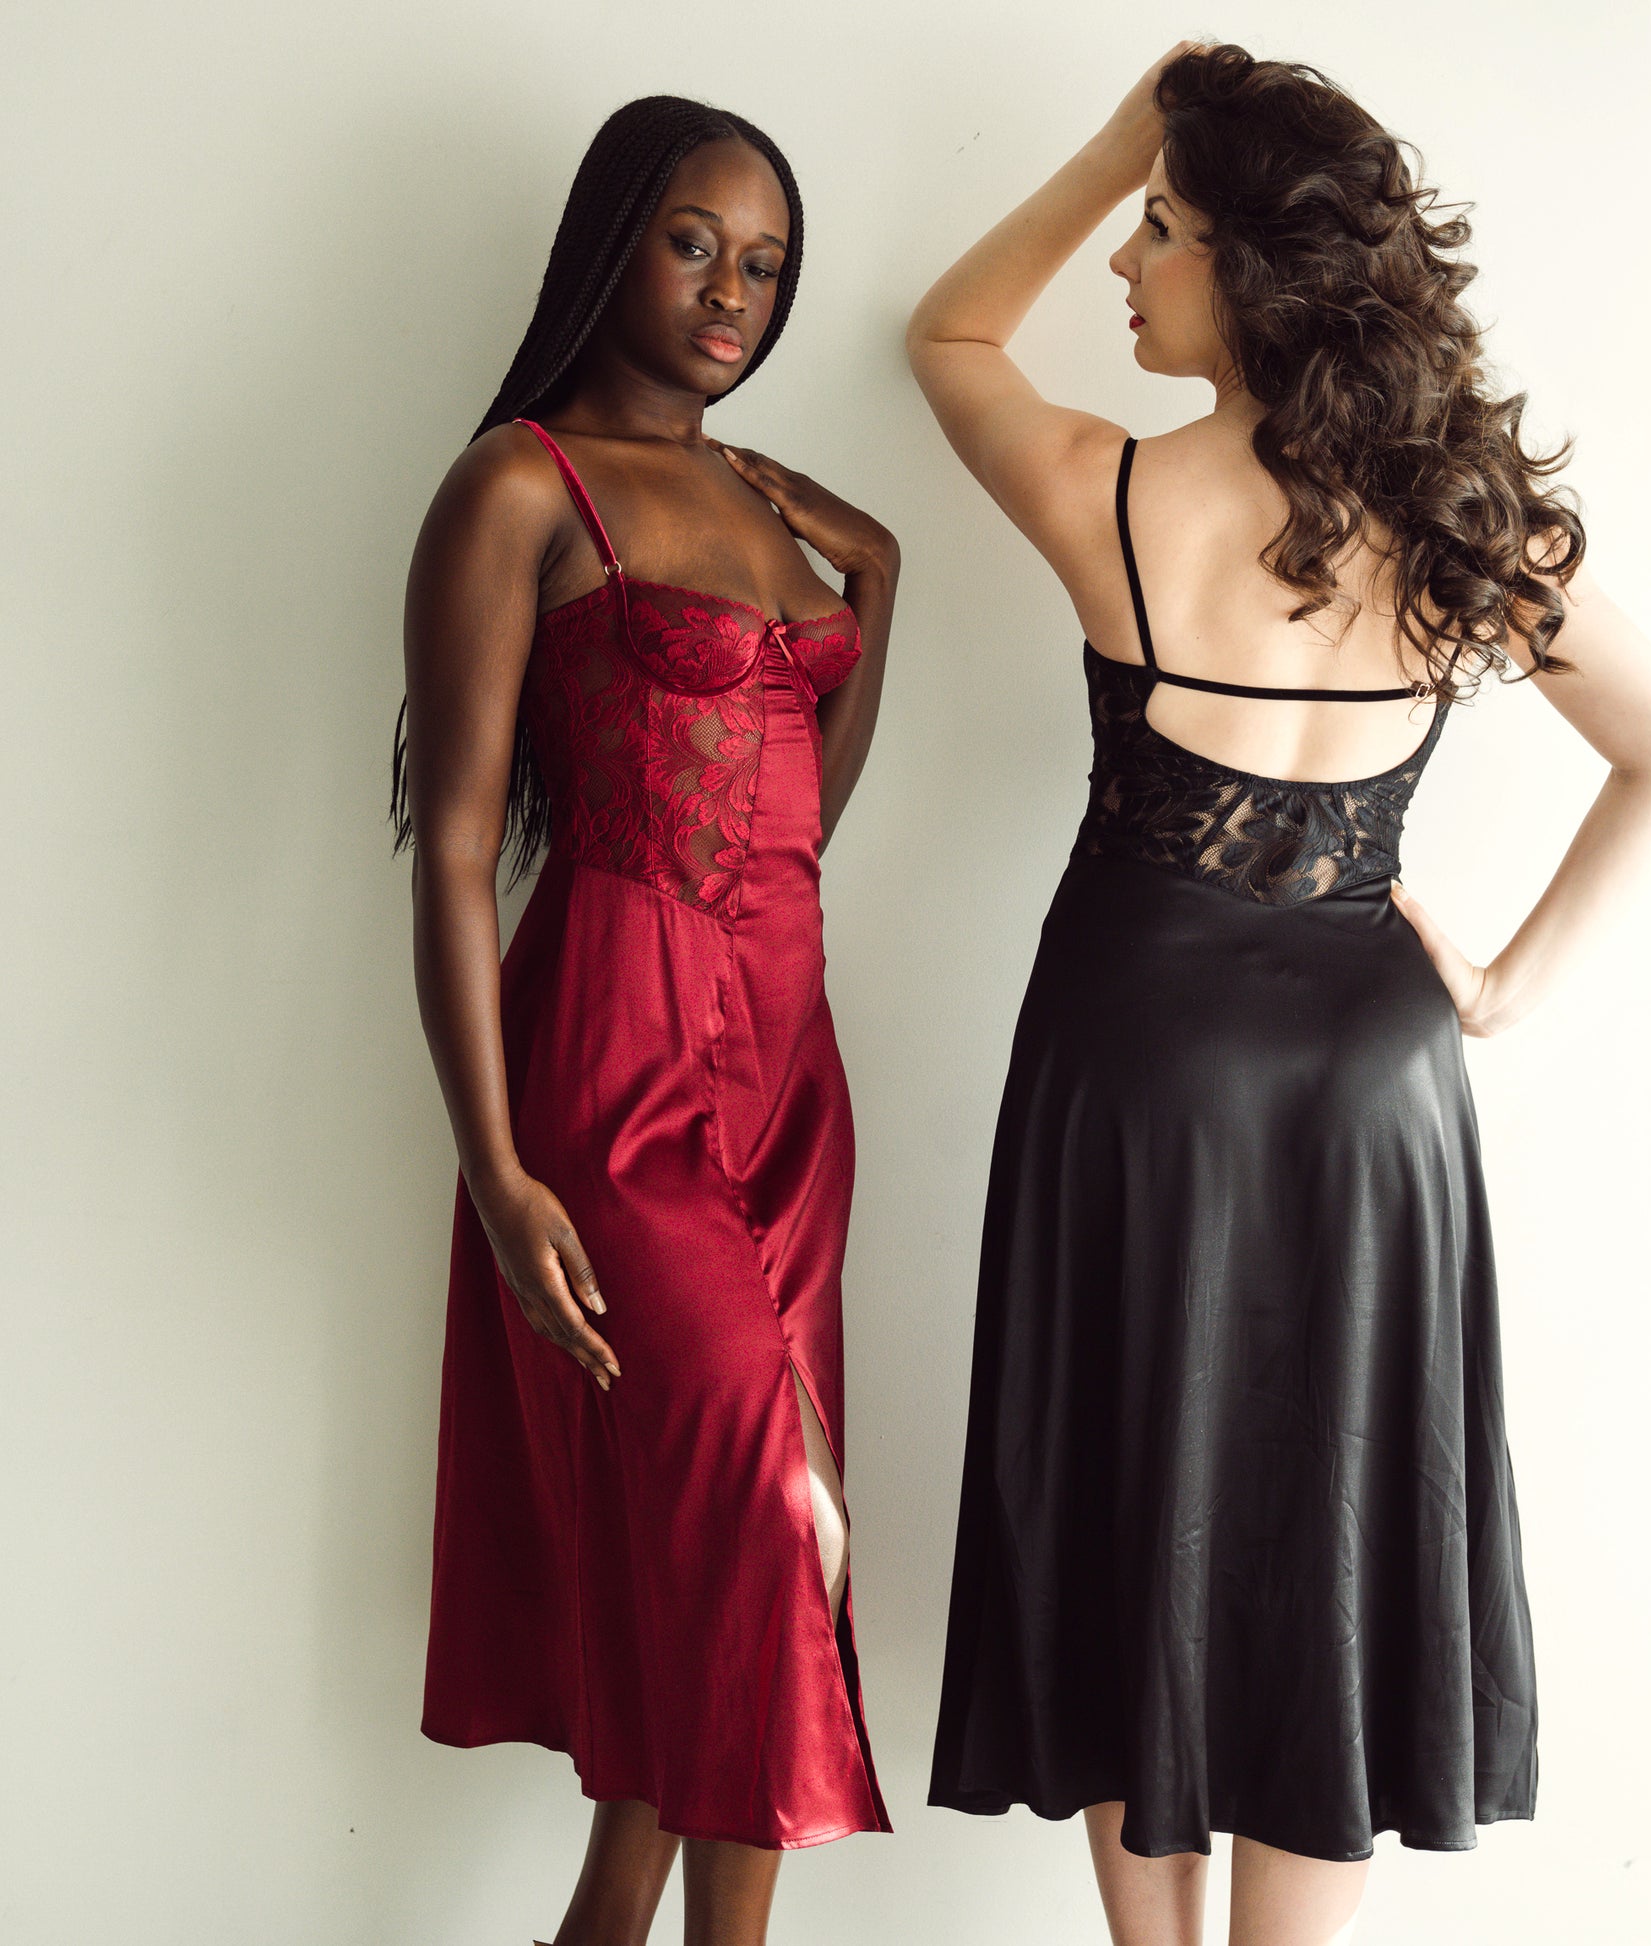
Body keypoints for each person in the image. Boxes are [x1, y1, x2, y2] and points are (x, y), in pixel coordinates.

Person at [910, 42, 1651, 1946]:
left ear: (1248, 273)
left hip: (1134, 1055)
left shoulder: (1113, 495)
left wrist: (1114, 126)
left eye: (1161, 231)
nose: (1125, 264)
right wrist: (1502, 984)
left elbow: (950, 336)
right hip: (1373, 1073)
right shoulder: (1454, 521)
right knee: (1326, 1534)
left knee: (1132, 1503)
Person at [392, 94, 897, 1946]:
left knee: (718, 1600)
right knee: (776, 1533)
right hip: (609, 1079)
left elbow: (791, 827)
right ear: (616, 239)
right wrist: (499, 1166)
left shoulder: (770, 496)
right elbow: (451, 848)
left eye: (765, 264)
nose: (731, 293)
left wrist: (887, 592)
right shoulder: (522, 485)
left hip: (785, 1080)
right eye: (695, 243)